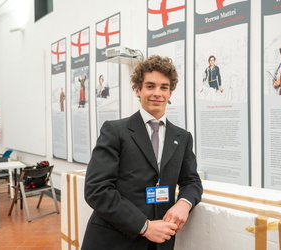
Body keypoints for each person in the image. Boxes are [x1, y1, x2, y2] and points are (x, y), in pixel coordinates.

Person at [82, 55, 203, 250]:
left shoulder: (182, 137)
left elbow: (191, 181)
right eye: (150, 86)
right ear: (138, 90)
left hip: (160, 242)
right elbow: (97, 189)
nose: (157, 93)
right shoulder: (115, 131)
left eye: (164, 87)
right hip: (115, 240)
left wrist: (185, 203)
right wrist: (144, 226)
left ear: (170, 92)